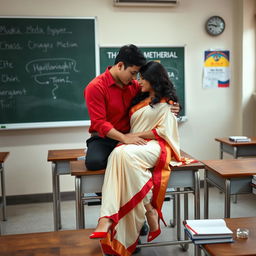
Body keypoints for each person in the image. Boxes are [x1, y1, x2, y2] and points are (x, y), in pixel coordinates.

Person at [89, 61, 186, 256]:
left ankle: (108, 217)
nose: (138, 80)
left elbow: (164, 131)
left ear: (153, 80)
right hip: (131, 142)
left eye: (142, 77)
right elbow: (102, 121)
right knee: (119, 154)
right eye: (136, 76)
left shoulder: (166, 102)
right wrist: (130, 138)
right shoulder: (136, 94)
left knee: (121, 153)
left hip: (157, 145)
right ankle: (147, 209)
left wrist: (137, 136)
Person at [84, 44, 180, 172]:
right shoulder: (96, 87)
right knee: (94, 163)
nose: (135, 79)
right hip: (104, 138)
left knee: (133, 158)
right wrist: (124, 138)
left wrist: (173, 105)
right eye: (133, 73)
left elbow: (158, 95)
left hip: (132, 134)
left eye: (138, 75)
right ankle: (112, 190)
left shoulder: (134, 85)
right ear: (120, 66)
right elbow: (99, 123)